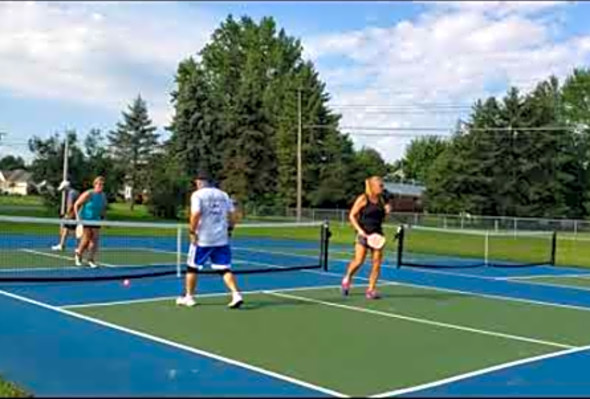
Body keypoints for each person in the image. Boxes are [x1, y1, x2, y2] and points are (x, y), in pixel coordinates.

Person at [176, 171, 243, 309]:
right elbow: (232, 215)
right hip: (221, 239)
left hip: (203, 239)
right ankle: (236, 294)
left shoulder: (197, 195)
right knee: (224, 269)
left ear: (200, 182)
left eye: (197, 182)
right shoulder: (223, 195)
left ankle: (189, 297)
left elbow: (196, 214)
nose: (196, 185)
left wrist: (192, 231)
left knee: (192, 267)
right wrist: (230, 229)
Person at [341, 176, 392, 299]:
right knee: (359, 261)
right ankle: (347, 278)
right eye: (380, 186)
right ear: (373, 186)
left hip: (377, 235)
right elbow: (352, 216)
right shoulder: (363, 199)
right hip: (363, 234)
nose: (382, 188)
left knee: (376, 263)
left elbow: (380, 219)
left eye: (382, 185)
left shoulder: (382, 200)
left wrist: (386, 212)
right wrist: (360, 231)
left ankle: (371, 290)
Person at [73, 176, 107, 268]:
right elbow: (76, 204)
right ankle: (78, 254)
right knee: (86, 238)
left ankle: (91, 259)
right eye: (99, 184)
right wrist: (77, 217)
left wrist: (104, 219)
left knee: (95, 240)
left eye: (102, 184)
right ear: (95, 184)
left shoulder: (103, 196)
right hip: (86, 219)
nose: (101, 186)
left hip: (96, 220)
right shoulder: (89, 194)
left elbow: (103, 208)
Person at [51, 181, 79, 251]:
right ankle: (62, 245)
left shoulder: (71, 193)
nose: (63, 190)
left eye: (63, 188)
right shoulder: (74, 192)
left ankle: (79, 246)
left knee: (73, 231)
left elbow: (70, 205)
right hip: (75, 214)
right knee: (65, 229)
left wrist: (67, 214)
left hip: (72, 215)